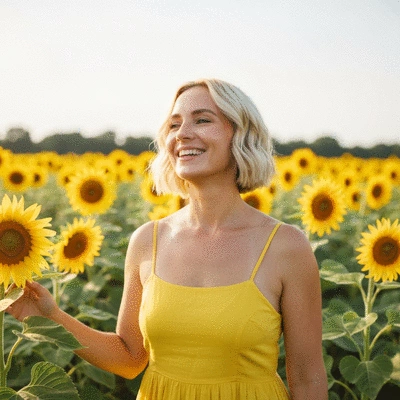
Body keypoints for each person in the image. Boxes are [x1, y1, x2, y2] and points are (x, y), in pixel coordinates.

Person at [7, 78, 328, 399]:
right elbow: (130, 358)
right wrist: (49, 315)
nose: (183, 134)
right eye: (174, 124)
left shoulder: (286, 246)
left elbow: (307, 379)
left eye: (202, 120)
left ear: (241, 134)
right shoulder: (148, 241)